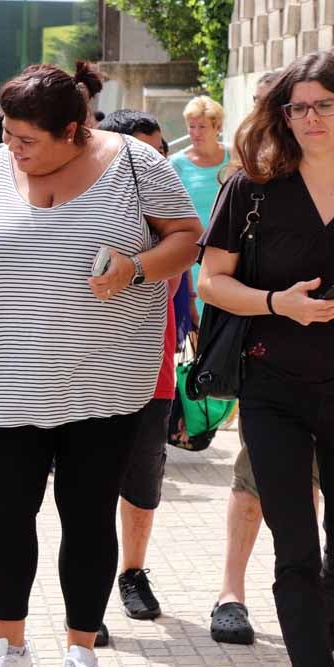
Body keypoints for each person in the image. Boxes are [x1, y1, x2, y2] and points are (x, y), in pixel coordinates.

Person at [0, 61, 200, 667]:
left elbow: (186, 236)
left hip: (104, 381)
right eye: (7, 134)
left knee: (88, 517)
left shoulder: (135, 163)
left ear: (74, 129)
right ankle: (10, 643)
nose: (13, 149)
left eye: (28, 140)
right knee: (5, 516)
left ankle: (81, 647)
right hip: (6, 379)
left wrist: (135, 268)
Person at [200, 53, 334, 663]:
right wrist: (279, 303)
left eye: (324, 105)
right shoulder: (253, 188)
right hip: (273, 386)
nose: (311, 118)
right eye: (299, 107)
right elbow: (211, 282)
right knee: (297, 548)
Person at [93, 109, 181, 646]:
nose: (156, 164)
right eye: (145, 154)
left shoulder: (175, 223)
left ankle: (133, 572)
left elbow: (181, 292)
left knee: (143, 483)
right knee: (90, 489)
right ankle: (88, 594)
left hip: (155, 374)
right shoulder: (92, 212)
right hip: (91, 374)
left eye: (160, 153)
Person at [170, 95, 229, 319]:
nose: (195, 132)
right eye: (191, 126)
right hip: (191, 256)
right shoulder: (176, 164)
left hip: (228, 250)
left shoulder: (234, 157)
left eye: (202, 126)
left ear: (218, 127)